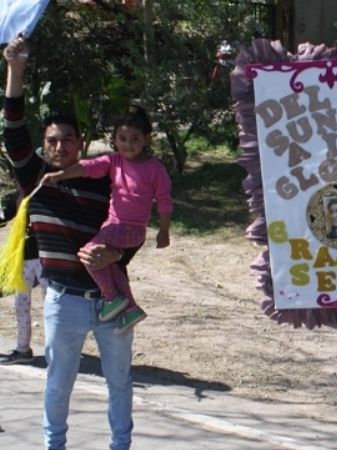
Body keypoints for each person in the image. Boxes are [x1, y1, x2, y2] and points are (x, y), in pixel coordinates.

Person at [4, 35, 138, 450]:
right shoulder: (37, 180)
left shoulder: (107, 180)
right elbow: (13, 131)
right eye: (52, 141)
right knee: (59, 383)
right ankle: (55, 445)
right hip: (64, 303)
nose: (59, 146)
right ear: (44, 146)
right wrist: (15, 69)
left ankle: (120, 445)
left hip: (112, 300)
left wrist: (117, 253)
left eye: (67, 139)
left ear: (81, 143)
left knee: (120, 382)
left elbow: (133, 226)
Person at [42, 105, 172, 334]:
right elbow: (88, 167)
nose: (128, 144)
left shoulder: (155, 169)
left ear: (147, 139)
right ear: (114, 139)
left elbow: (164, 202)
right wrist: (60, 175)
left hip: (131, 230)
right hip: (113, 227)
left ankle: (112, 298)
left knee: (89, 254)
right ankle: (130, 308)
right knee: (108, 264)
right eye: (122, 139)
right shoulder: (114, 161)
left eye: (135, 139)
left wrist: (164, 231)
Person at [0, 224, 47, 365]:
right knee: (21, 306)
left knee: (53, 307)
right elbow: (5, 217)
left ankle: (58, 352)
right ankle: (23, 350)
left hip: (46, 259)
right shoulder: (19, 208)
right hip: (23, 259)